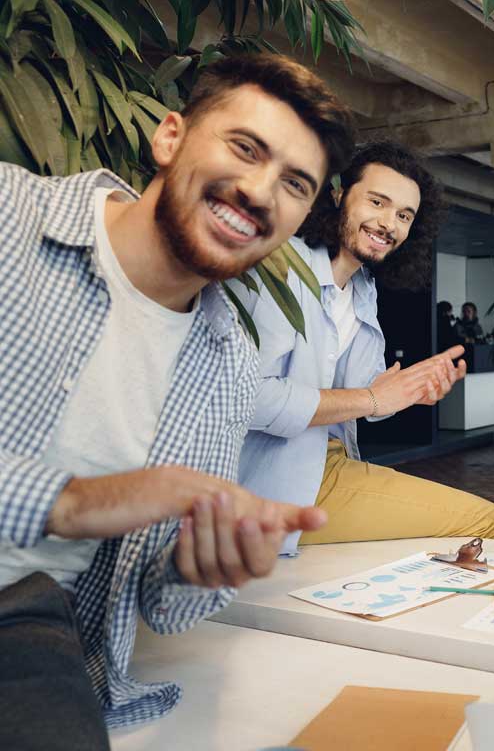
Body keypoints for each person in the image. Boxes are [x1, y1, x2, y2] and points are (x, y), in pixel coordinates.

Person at [0, 54, 350, 742]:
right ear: (169, 138)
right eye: (245, 148)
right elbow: (94, 505)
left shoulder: (228, 366)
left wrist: (204, 566)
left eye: (294, 185)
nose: (258, 191)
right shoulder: (9, 218)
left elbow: (166, 606)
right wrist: (73, 502)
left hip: (27, 628)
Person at [235, 142, 494, 555]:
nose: (388, 224)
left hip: (330, 461)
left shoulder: (363, 289)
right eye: (377, 202)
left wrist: (412, 391)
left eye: (403, 215)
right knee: (485, 521)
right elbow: (247, 399)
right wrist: (373, 397)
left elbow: (369, 399)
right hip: (274, 481)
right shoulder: (283, 266)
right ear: (340, 195)